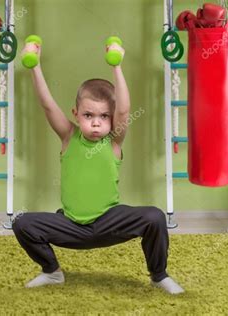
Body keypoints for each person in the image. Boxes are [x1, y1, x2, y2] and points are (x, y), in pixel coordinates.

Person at [12, 38, 184, 295]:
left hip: (109, 223)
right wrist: (34, 66)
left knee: (155, 217)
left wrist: (117, 65)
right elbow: (47, 105)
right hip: (70, 226)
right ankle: (51, 272)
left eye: (104, 116)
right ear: (75, 113)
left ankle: (158, 275)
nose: (95, 123)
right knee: (22, 223)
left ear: (111, 119)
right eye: (88, 115)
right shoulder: (69, 137)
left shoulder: (113, 140)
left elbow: (124, 110)